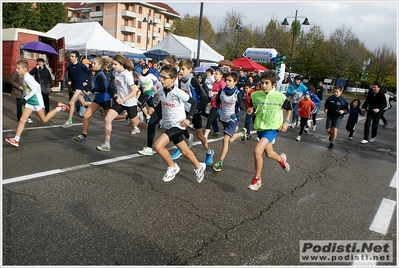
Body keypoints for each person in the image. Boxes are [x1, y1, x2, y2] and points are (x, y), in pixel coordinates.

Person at [153, 64, 206, 183]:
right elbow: (161, 105)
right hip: (169, 125)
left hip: (179, 125)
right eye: (161, 77)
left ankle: (172, 166)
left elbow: (193, 102)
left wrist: (189, 118)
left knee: (158, 146)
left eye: (164, 78)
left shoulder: (178, 92)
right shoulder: (161, 91)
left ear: (173, 79)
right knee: (185, 151)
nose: (161, 80)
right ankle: (199, 167)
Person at [4, 60, 69, 147]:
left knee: (44, 120)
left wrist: (25, 98)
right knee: (22, 120)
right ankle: (16, 139)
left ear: (25, 69)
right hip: (30, 101)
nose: (17, 70)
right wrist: (25, 97)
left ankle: (60, 107)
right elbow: (36, 86)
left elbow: (35, 89)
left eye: (18, 68)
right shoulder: (26, 76)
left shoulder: (27, 78)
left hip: (36, 101)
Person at [246, 71, 292, 191]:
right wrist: (251, 110)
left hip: (272, 128)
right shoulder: (255, 95)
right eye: (262, 83)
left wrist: (286, 122)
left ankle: (257, 179)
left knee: (257, 150)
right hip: (260, 128)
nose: (264, 86)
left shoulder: (280, 97)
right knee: (270, 154)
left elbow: (289, 108)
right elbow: (253, 107)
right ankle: (281, 160)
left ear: (273, 84)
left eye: (267, 83)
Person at [170, 59, 214, 166]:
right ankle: (181, 147)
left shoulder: (193, 80)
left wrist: (197, 109)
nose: (180, 71)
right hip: (184, 110)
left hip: (194, 111)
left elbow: (204, 97)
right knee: (177, 126)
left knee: (199, 135)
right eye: (180, 68)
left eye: (183, 69)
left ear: (190, 70)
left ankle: (209, 151)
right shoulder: (181, 80)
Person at [96, 54, 140, 151]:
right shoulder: (116, 73)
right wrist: (116, 94)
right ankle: (107, 144)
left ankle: (149, 127)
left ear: (121, 64)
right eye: (112, 64)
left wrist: (123, 99)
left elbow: (134, 91)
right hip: (120, 101)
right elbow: (118, 86)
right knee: (107, 118)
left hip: (130, 102)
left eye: (115, 64)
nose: (113, 66)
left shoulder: (127, 75)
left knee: (136, 122)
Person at [137, 55, 180, 156]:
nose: (162, 65)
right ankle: (148, 147)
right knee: (152, 122)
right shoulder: (162, 76)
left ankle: (185, 140)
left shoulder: (175, 78)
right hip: (163, 103)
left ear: (171, 64)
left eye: (165, 63)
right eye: (162, 63)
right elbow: (160, 89)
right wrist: (154, 101)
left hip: (173, 106)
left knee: (173, 128)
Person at [72, 56, 113, 144]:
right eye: (92, 63)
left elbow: (103, 89)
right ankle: (84, 136)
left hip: (105, 99)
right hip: (98, 99)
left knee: (110, 118)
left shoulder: (100, 75)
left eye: (94, 63)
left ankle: (127, 117)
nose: (92, 64)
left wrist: (91, 89)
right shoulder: (97, 73)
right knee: (86, 115)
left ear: (99, 65)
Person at [212, 72, 247, 172]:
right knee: (229, 140)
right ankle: (241, 133)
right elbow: (218, 101)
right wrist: (218, 108)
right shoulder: (222, 91)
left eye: (230, 80)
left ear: (235, 82)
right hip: (223, 118)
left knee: (225, 140)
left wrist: (236, 115)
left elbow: (243, 109)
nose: (227, 82)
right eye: (226, 80)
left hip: (232, 120)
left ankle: (220, 162)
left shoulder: (238, 94)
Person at [62, 51, 92, 128]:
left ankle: (69, 120)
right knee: (84, 103)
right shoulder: (70, 67)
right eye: (70, 56)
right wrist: (69, 80)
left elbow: (89, 73)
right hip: (75, 87)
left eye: (72, 56)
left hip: (80, 87)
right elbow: (70, 76)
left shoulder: (81, 66)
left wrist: (86, 81)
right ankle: (99, 105)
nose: (70, 58)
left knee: (71, 102)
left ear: (76, 57)